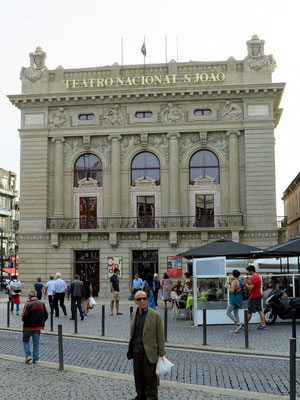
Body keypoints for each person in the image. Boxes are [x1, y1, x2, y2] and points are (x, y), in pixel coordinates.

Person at [127, 290, 165, 400]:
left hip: (149, 352)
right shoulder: (133, 314)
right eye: (139, 299)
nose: (142, 301)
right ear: (135, 301)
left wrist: (161, 353)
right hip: (136, 350)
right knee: (138, 377)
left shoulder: (155, 315)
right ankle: (140, 395)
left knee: (151, 379)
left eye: (144, 298)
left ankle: (152, 397)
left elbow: (160, 336)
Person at [22, 289, 48, 363]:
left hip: (28, 326)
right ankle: (36, 359)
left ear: (29, 296)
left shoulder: (28, 304)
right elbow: (46, 315)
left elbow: (24, 316)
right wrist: (41, 321)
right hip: (38, 326)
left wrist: (24, 320)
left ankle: (28, 355)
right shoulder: (42, 304)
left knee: (25, 340)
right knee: (36, 342)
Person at [243, 265, 267, 330]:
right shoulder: (257, 277)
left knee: (249, 311)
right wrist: (247, 282)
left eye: (248, 271)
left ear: (251, 271)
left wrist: (245, 283)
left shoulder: (254, 278)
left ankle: (245, 325)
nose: (247, 273)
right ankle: (263, 324)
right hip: (258, 295)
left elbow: (250, 288)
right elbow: (252, 285)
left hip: (254, 296)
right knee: (260, 310)